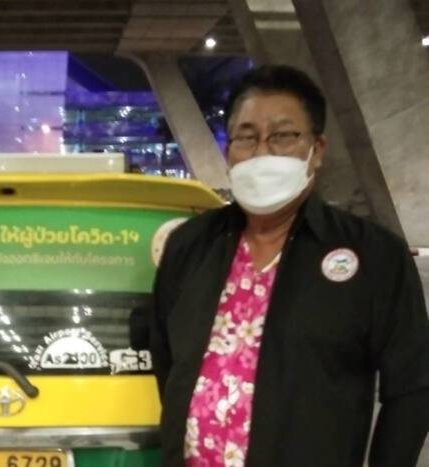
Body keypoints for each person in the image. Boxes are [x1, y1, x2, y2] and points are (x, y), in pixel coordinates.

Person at [151, 65, 428, 467]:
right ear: (229, 151)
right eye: (246, 136)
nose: (262, 152)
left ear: (317, 149)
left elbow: (412, 387)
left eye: (282, 136)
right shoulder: (190, 245)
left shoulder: (374, 255)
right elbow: (167, 358)